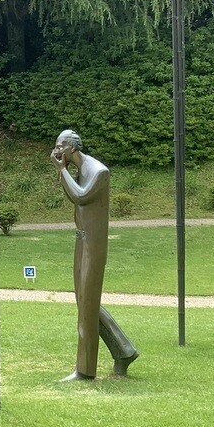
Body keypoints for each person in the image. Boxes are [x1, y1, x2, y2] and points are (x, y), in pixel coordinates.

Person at [52, 129, 139, 381]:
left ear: (72, 147)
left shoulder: (99, 171)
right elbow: (74, 197)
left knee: (87, 307)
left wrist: (62, 170)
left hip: (94, 244)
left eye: (60, 146)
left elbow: (80, 196)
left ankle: (85, 370)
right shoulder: (80, 169)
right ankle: (124, 351)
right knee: (85, 303)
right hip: (82, 240)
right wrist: (63, 172)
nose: (56, 151)